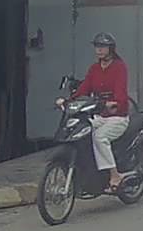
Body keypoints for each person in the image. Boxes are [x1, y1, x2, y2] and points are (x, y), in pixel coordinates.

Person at [56, 33, 131, 194]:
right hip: (100, 116)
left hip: (117, 117)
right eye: (97, 47)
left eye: (103, 47)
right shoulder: (94, 69)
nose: (99, 50)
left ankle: (115, 175)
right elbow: (84, 89)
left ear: (111, 49)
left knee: (99, 137)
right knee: (82, 130)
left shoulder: (119, 67)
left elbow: (121, 92)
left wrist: (115, 103)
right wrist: (67, 101)